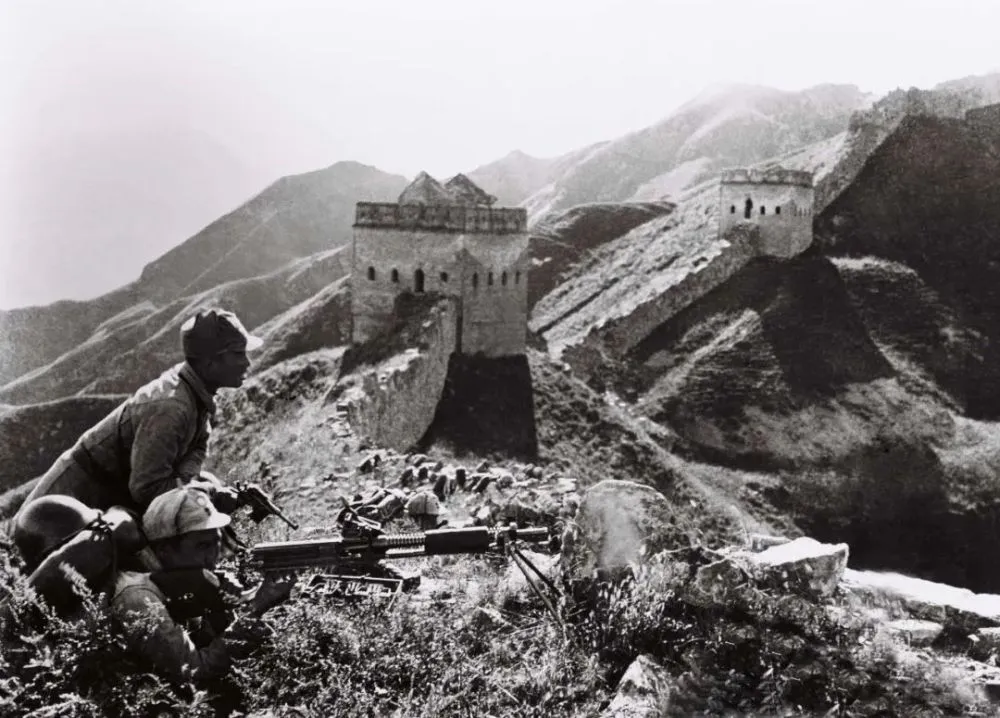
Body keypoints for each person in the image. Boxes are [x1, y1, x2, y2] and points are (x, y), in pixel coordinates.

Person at [14, 309, 262, 531]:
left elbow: (193, 455)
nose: (247, 362)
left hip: (110, 492)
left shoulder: (196, 396)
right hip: (75, 493)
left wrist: (200, 487)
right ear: (210, 362)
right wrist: (209, 495)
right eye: (238, 354)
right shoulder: (171, 407)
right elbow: (147, 489)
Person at [110, 486, 293, 684]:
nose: (213, 557)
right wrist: (254, 610)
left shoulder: (188, 580)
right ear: (164, 550)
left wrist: (241, 600)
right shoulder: (137, 597)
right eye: (202, 546)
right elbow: (194, 672)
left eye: (217, 543)